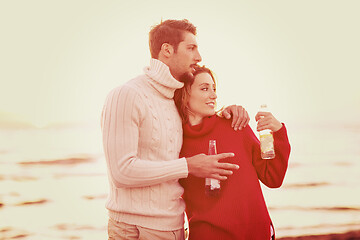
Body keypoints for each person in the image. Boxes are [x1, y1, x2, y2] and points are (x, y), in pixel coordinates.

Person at [101, 19, 250, 240]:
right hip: (132, 229)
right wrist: (188, 166)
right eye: (191, 48)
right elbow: (121, 172)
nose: (199, 57)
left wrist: (230, 111)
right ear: (167, 50)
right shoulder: (126, 94)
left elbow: (200, 122)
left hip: (173, 227)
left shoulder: (175, 102)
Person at [174, 66, 291, 240]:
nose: (213, 95)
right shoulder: (174, 141)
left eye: (214, 89)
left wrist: (278, 133)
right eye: (204, 88)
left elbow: (272, 176)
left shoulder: (235, 125)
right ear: (184, 94)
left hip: (257, 234)